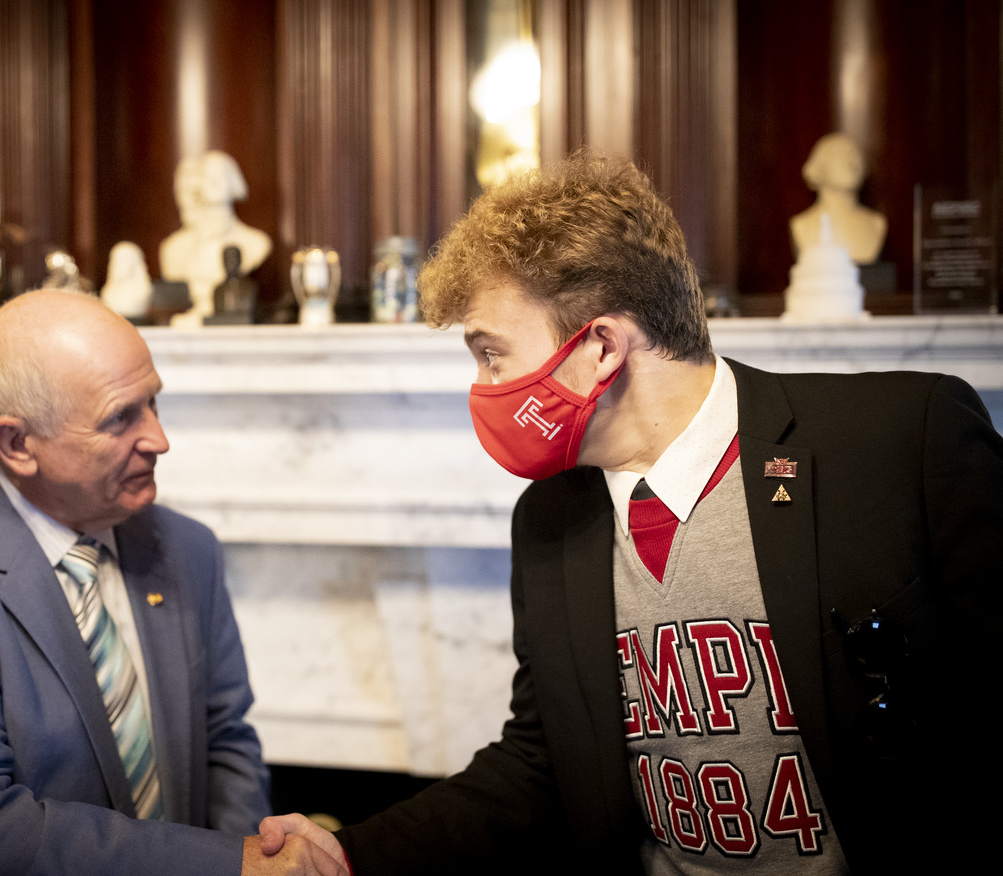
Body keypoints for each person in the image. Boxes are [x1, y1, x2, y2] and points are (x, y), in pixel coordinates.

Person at [262, 149, 1002, 872]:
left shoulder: (905, 439)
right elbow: (542, 760)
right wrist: (349, 853)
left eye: (491, 354)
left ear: (600, 349)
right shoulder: (547, 521)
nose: (483, 386)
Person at [0, 289, 346, 876]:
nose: (159, 439)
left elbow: (225, 741)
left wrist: (253, 855)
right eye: (119, 418)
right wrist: (224, 865)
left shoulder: (187, 549)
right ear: (17, 444)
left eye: (153, 403)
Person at [160, 150, 272, 325]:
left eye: (220, 175)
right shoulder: (174, 249)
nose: (214, 182)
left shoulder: (256, 243)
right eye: (206, 175)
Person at [789, 132, 887, 264]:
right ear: (818, 166)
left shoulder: (877, 223)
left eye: (854, 153)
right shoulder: (801, 225)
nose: (851, 160)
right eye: (838, 153)